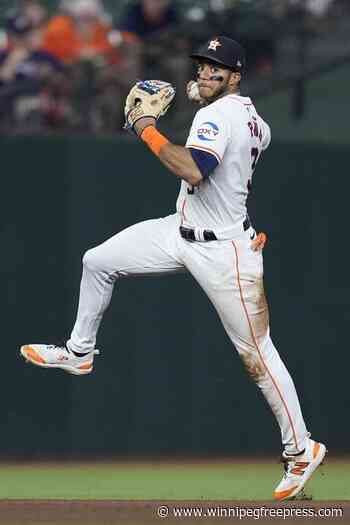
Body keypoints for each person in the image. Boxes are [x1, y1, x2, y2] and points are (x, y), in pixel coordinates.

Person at [20, 35, 326, 500]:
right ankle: (79, 352)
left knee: (258, 355)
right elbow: (244, 155)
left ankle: (301, 448)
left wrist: (145, 125)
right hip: (179, 232)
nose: (205, 72)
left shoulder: (217, 115)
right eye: (202, 65)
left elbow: (193, 170)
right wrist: (205, 99)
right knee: (97, 261)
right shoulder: (253, 119)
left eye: (216, 68)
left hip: (223, 252)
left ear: (236, 75)